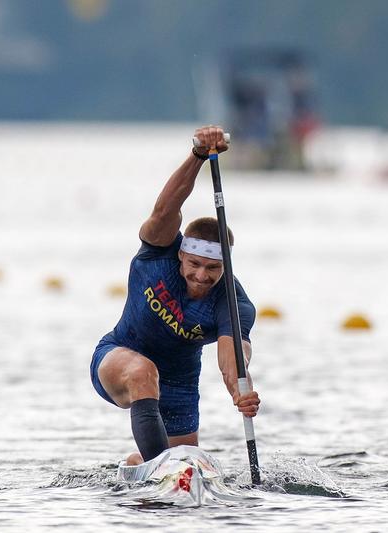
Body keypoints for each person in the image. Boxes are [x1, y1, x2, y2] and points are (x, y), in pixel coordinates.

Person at [90, 126, 260, 465]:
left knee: (187, 464)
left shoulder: (233, 301)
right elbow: (166, 209)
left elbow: (233, 355)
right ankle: (157, 469)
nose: (202, 275)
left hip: (180, 385)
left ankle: (138, 466)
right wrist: (198, 155)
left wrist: (241, 390)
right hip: (119, 357)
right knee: (143, 371)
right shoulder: (159, 251)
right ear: (181, 254)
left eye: (213, 268)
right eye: (195, 264)